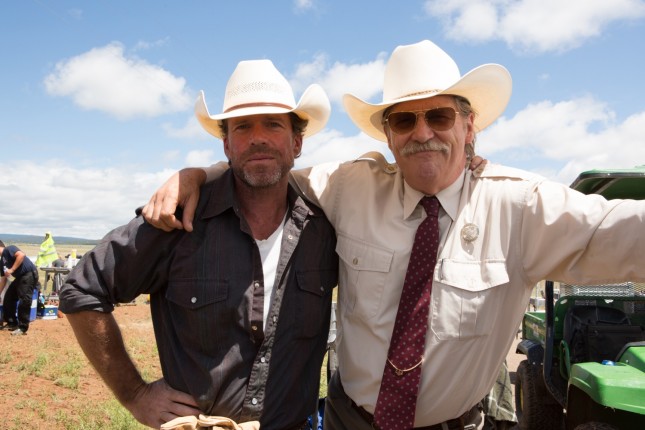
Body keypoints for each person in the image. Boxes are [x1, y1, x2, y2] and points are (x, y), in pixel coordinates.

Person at [143, 40, 645, 430]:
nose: (422, 132)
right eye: (405, 119)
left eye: (439, 116)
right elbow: (267, 167)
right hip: (348, 420)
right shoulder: (351, 186)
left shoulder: (522, 207)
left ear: (469, 126)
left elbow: (622, 230)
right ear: (388, 135)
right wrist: (199, 174)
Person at [59, 59, 339, 429]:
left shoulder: (324, 231)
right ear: (226, 145)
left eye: (273, 124)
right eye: (242, 126)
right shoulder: (178, 220)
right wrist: (135, 393)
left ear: (297, 142)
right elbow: (83, 288)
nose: (258, 137)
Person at [0, 240, 40, 335]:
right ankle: (12, 323)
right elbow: (3, 279)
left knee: (24, 300)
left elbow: (21, 255)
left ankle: (22, 328)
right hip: (19, 277)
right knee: (9, 298)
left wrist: (12, 269)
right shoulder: (2, 261)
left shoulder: (9, 249)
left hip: (28, 274)